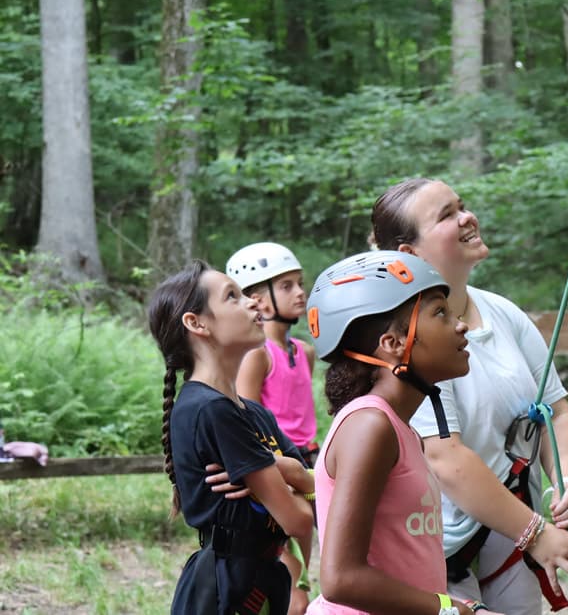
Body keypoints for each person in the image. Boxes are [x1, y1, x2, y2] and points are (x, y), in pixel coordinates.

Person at [371, 178, 568, 615]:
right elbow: (445, 457)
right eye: (447, 215)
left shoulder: (503, 312)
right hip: (437, 549)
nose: (467, 217)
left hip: (511, 534)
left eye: (462, 206)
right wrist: (535, 533)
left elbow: (556, 411)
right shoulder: (409, 339)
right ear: (409, 254)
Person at [302, 250, 499, 615]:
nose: (460, 325)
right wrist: (450, 610)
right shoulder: (370, 427)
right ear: (392, 343)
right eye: (440, 313)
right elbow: (340, 579)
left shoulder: (399, 428)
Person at [148, 261, 315, 615]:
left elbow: (312, 494)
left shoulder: (255, 414)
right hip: (228, 589)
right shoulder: (210, 411)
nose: (253, 302)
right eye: (232, 297)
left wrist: (286, 471)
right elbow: (300, 520)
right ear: (197, 323)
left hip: (262, 579)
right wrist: (298, 483)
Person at [227, 241, 318, 614]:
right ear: (257, 300)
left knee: (304, 579)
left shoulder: (304, 351)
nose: (300, 292)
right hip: (277, 470)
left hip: (307, 462)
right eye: (286, 285)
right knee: (291, 589)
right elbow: (246, 420)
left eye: (300, 283)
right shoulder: (257, 355)